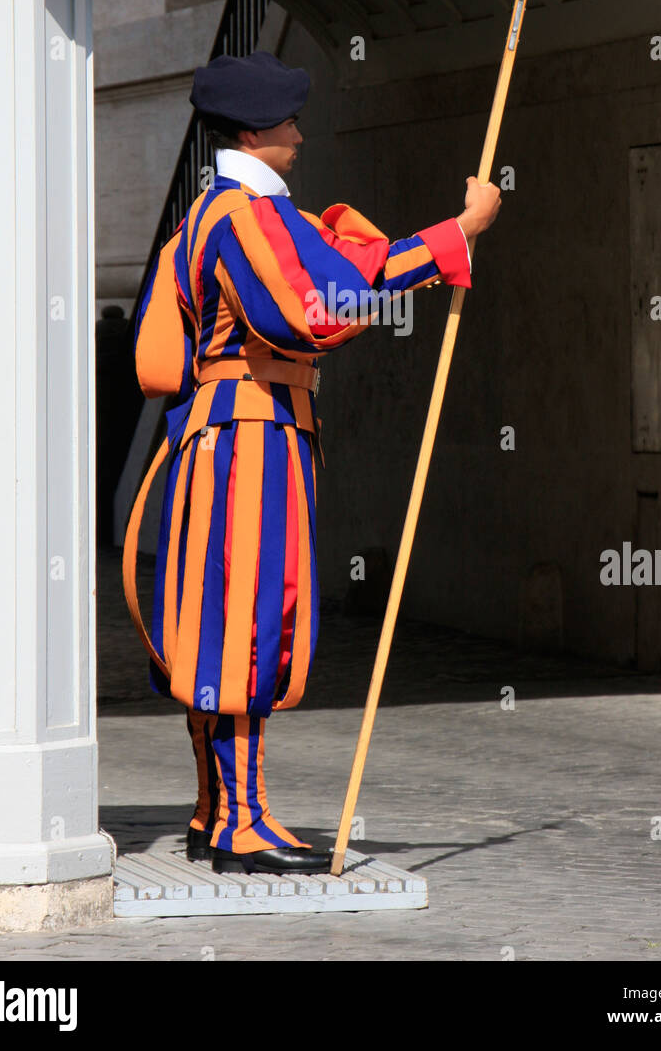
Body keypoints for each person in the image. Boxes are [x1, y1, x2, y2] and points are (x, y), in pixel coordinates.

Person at [122, 50, 501, 874]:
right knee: (249, 623)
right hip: (251, 437)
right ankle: (240, 824)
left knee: (215, 619)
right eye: (287, 122)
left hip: (222, 433)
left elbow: (333, 277)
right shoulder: (245, 219)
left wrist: (430, 244)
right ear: (256, 133)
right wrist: (458, 235)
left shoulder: (207, 220)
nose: (299, 134)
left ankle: (215, 810)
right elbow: (321, 308)